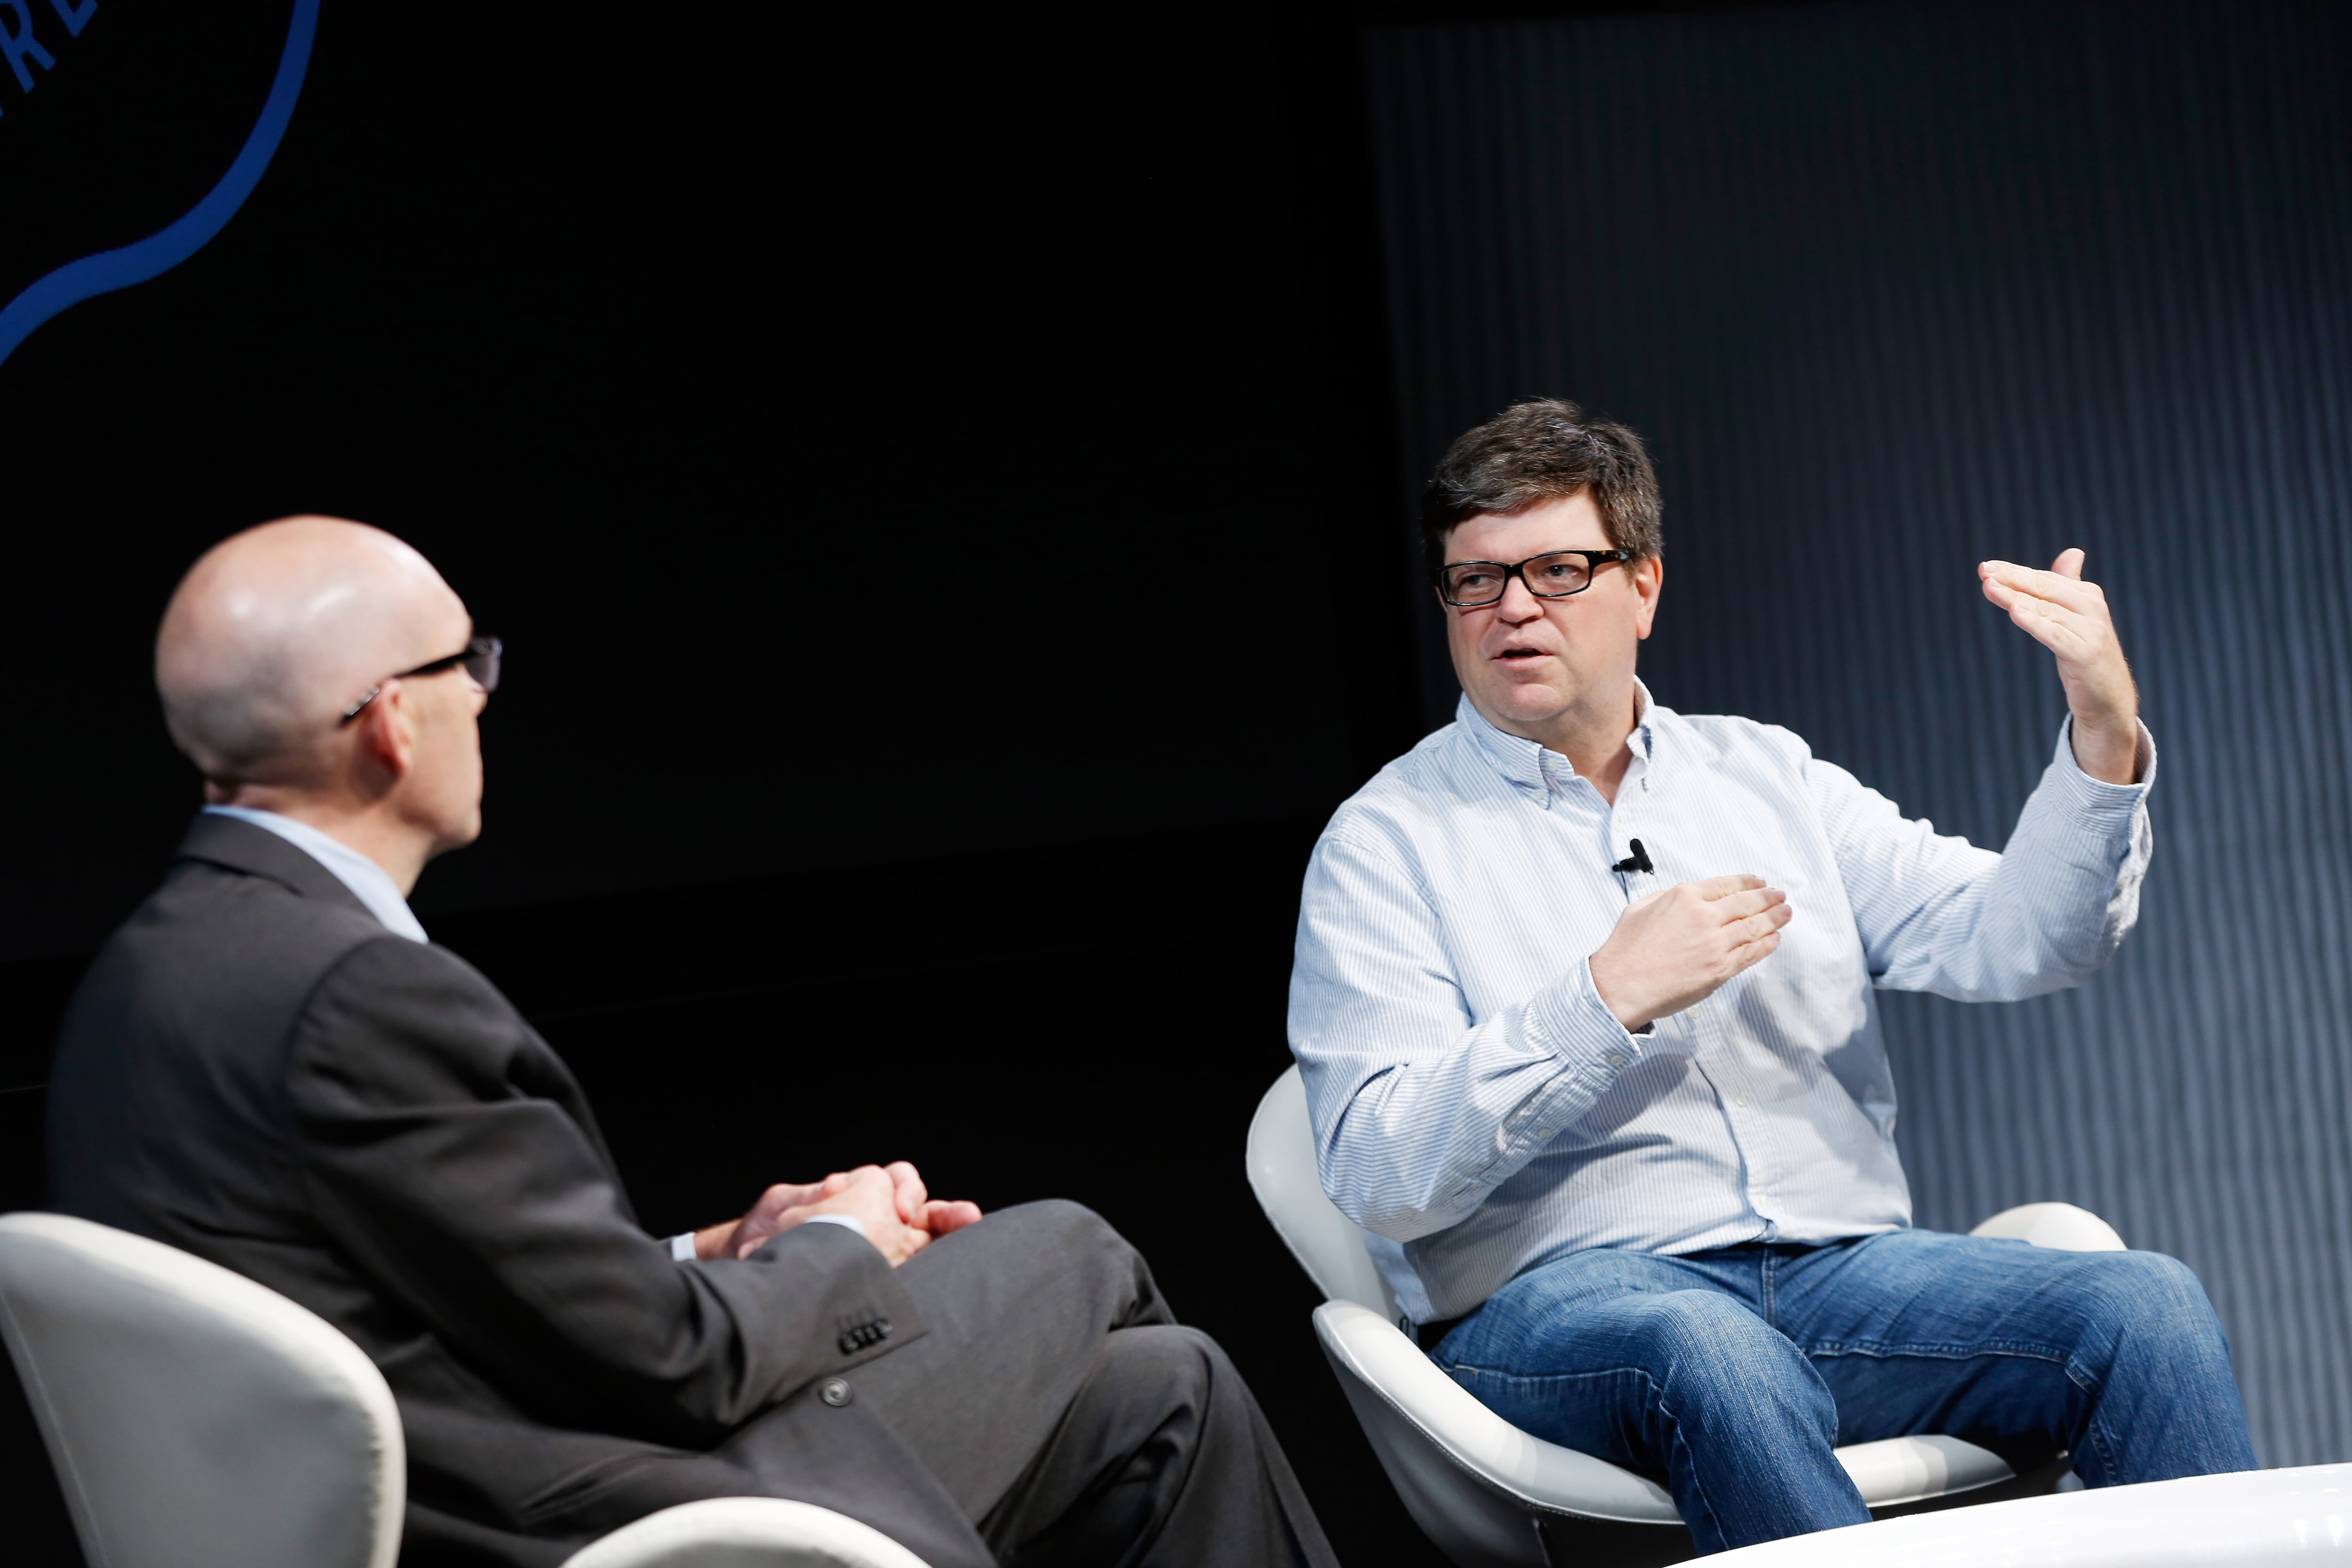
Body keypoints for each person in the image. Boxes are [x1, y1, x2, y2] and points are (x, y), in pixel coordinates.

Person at [48, 516, 1337, 1568]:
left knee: (1168, 1385)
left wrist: (721, 1244)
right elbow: (679, 1366)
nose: (484, 699)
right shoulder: (360, 994)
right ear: (393, 719)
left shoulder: (150, 967)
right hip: (599, 1515)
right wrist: (845, 1239)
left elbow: (428, 1263)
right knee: (1069, 1244)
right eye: (470, 667)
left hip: (447, 1463)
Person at [1287, 400, 2257, 1553]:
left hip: (1844, 1279)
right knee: (1709, 1349)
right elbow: (1377, 1168)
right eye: (1475, 581)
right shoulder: (1384, 842)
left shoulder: (1768, 774)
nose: (1512, 609)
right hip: (1560, 1313)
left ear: (1642, 584)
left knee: (2138, 1303)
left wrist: (2103, 724)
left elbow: (2025, 936)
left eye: (1555, 569)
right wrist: (1597, 999)